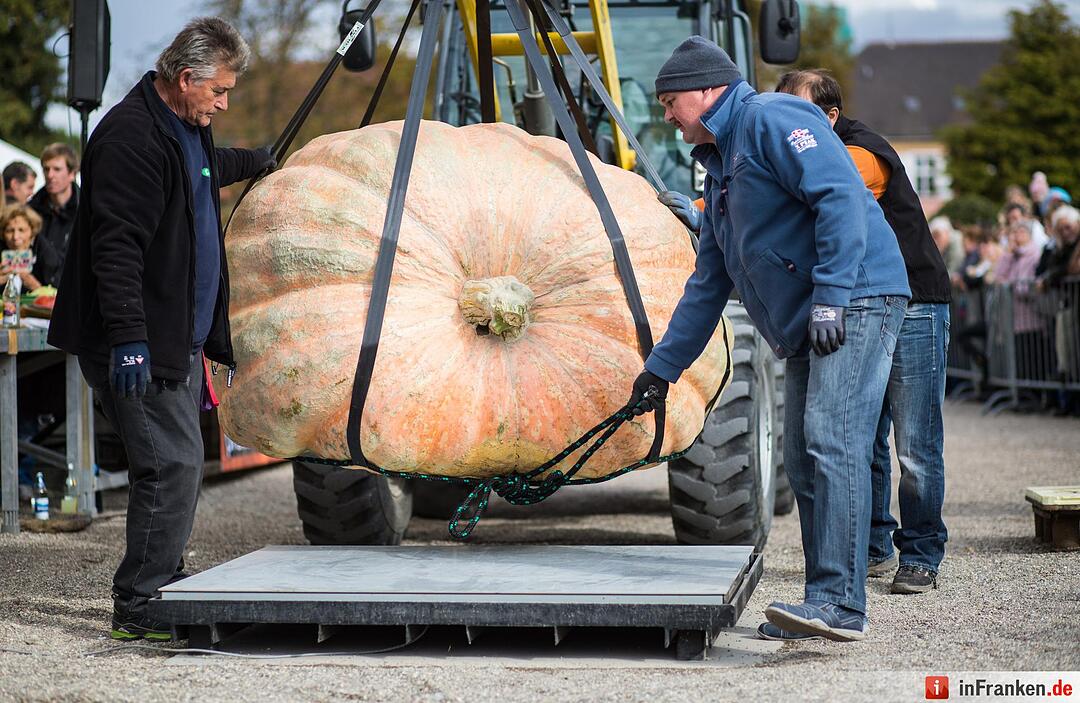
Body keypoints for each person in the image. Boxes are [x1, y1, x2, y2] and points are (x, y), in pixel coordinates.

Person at [633, 37, 910, 642]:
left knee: (831, 438)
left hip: (856, 296)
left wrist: (833, 295)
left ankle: (839, 603)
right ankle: (823, 599)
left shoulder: (770, 117)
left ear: (707, 91)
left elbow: (838, 195)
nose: (668, 117)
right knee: (802, 457)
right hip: (818, 313)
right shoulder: (723, 170)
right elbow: (708, 285)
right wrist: (661, 370)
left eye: (671, 101)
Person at [48, 17, 275, 641]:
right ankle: (142, 604)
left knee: (175, 465)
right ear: (185, 78)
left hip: (176, 334)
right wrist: (128, 341)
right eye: (220, 91)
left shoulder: (186, 125)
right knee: (169, 465)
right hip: (137, 340)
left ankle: (163, 584)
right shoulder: (129, 138)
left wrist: (255, 161)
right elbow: (115, 250)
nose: (224, 103)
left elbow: (202, 171)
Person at [773, 69, 951, 599]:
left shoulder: (861, 152)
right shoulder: (809, 147)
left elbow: (833, 196)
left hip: (915, 301)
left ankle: (921, 551)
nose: (785, 125)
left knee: (915, 442)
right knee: (863, 435)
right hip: (864, 301)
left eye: (797, 112)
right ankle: (874, 546)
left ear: (829, 116)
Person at [28, 143, 80, 274]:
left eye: (57, 169)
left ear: (72, 174)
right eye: (46, 169)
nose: (50, 175)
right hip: (34, 290)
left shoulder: (86, 212)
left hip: (70, 288)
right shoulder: (29, 211)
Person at [0, 204, 59, 293]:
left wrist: (36, 287)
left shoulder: (45, 252)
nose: (15, 237)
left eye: (21, 230)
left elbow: (57, 293)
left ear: (32, 232)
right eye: (9, 231)